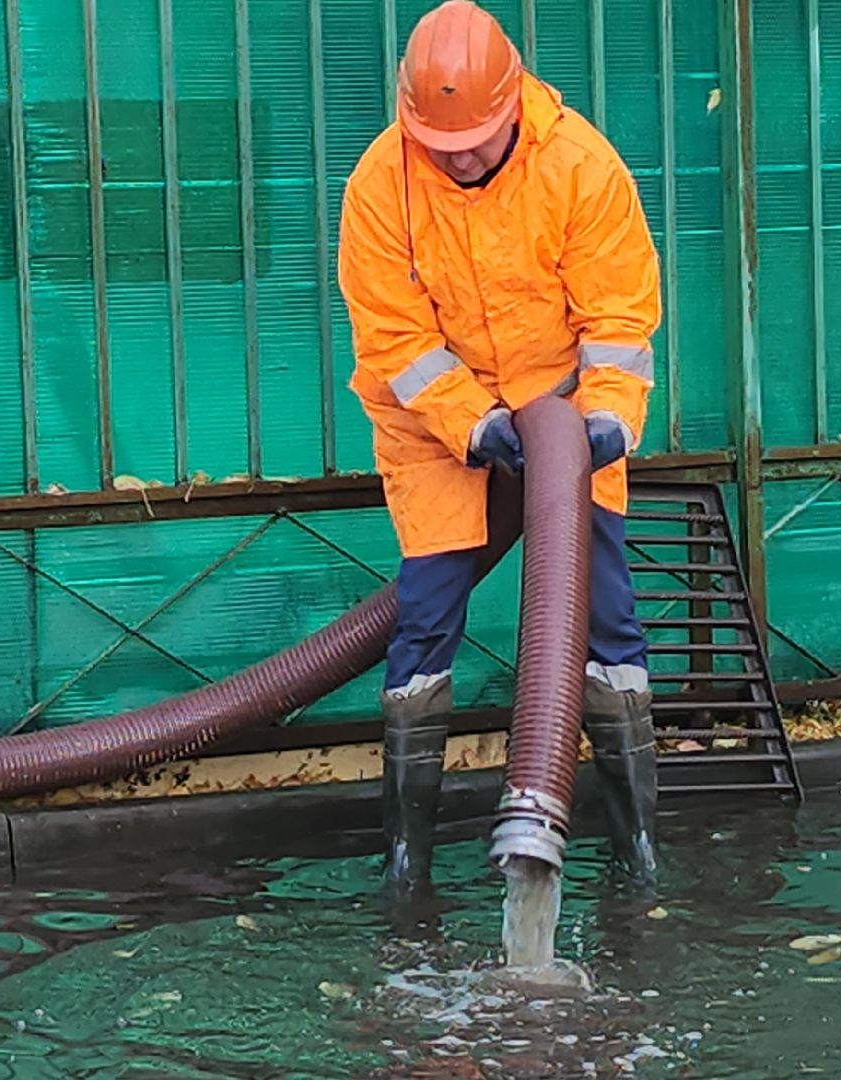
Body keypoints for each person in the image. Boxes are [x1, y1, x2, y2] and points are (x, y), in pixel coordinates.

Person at [336, 0, 662, 900]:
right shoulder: (380, 183)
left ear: (515, 103)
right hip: (441, 436)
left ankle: (639, 853)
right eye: (442, 141)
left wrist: (603, 420)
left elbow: (620, 322)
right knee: (425, 620)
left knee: (608, 622)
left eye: (476, 138)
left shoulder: (580, 167)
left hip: (567, 424)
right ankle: (409, 865)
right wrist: (472, 424)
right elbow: (395, 341)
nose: (461, 155)